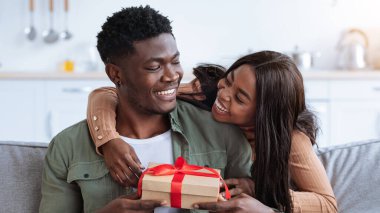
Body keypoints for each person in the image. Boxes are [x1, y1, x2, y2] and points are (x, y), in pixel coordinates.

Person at [39, 6, 252, 213]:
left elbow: (264, 204)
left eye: (175, 61)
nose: (172, 76)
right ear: (115, 74)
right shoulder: (67, 147)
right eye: (154, 67)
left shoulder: (221, 133)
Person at [87, 51, 338, 212]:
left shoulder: (291, 140)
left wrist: (263, 200)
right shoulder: (204, 91)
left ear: (264, 113)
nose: (224, 95)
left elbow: (327, 204)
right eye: (228, 81)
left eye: (240, 98)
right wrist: (109, 140)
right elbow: (109, 93)